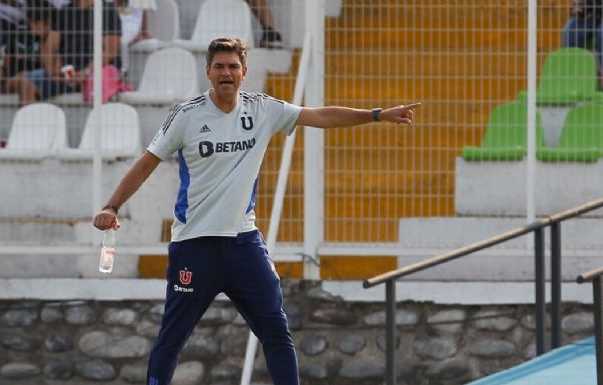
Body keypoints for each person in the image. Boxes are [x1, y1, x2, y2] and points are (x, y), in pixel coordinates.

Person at [93, 37, 419, 385]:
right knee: (172, 339)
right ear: (208, 72)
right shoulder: (186, 116)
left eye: (233, 66)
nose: (226, 72)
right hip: (194, 245)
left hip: (243, 245)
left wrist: (376, 115)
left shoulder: (262, 109)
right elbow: (146, 163)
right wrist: (112, 205)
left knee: (277, 331)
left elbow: (320, 115)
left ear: (244, 72)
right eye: (219, 66)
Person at [0, 0, 70, 104]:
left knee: (28, 83)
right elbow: (6, 63)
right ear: (30, 22)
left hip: (36, 80)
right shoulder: (18, 34)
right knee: (23, 81)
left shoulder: (52, 39)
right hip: (13, 79)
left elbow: (53, 71)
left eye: (49, 23)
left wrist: (46, 43)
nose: (47, 27)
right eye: (43, 23)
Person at [55, 0, 122, 93]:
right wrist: (57, 70)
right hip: (67, 72)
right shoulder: (64, 12)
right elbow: (52, 48)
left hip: (94, 72)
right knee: (30, 82)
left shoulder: (108, 10)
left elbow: (111, 51)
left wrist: (85, 72)